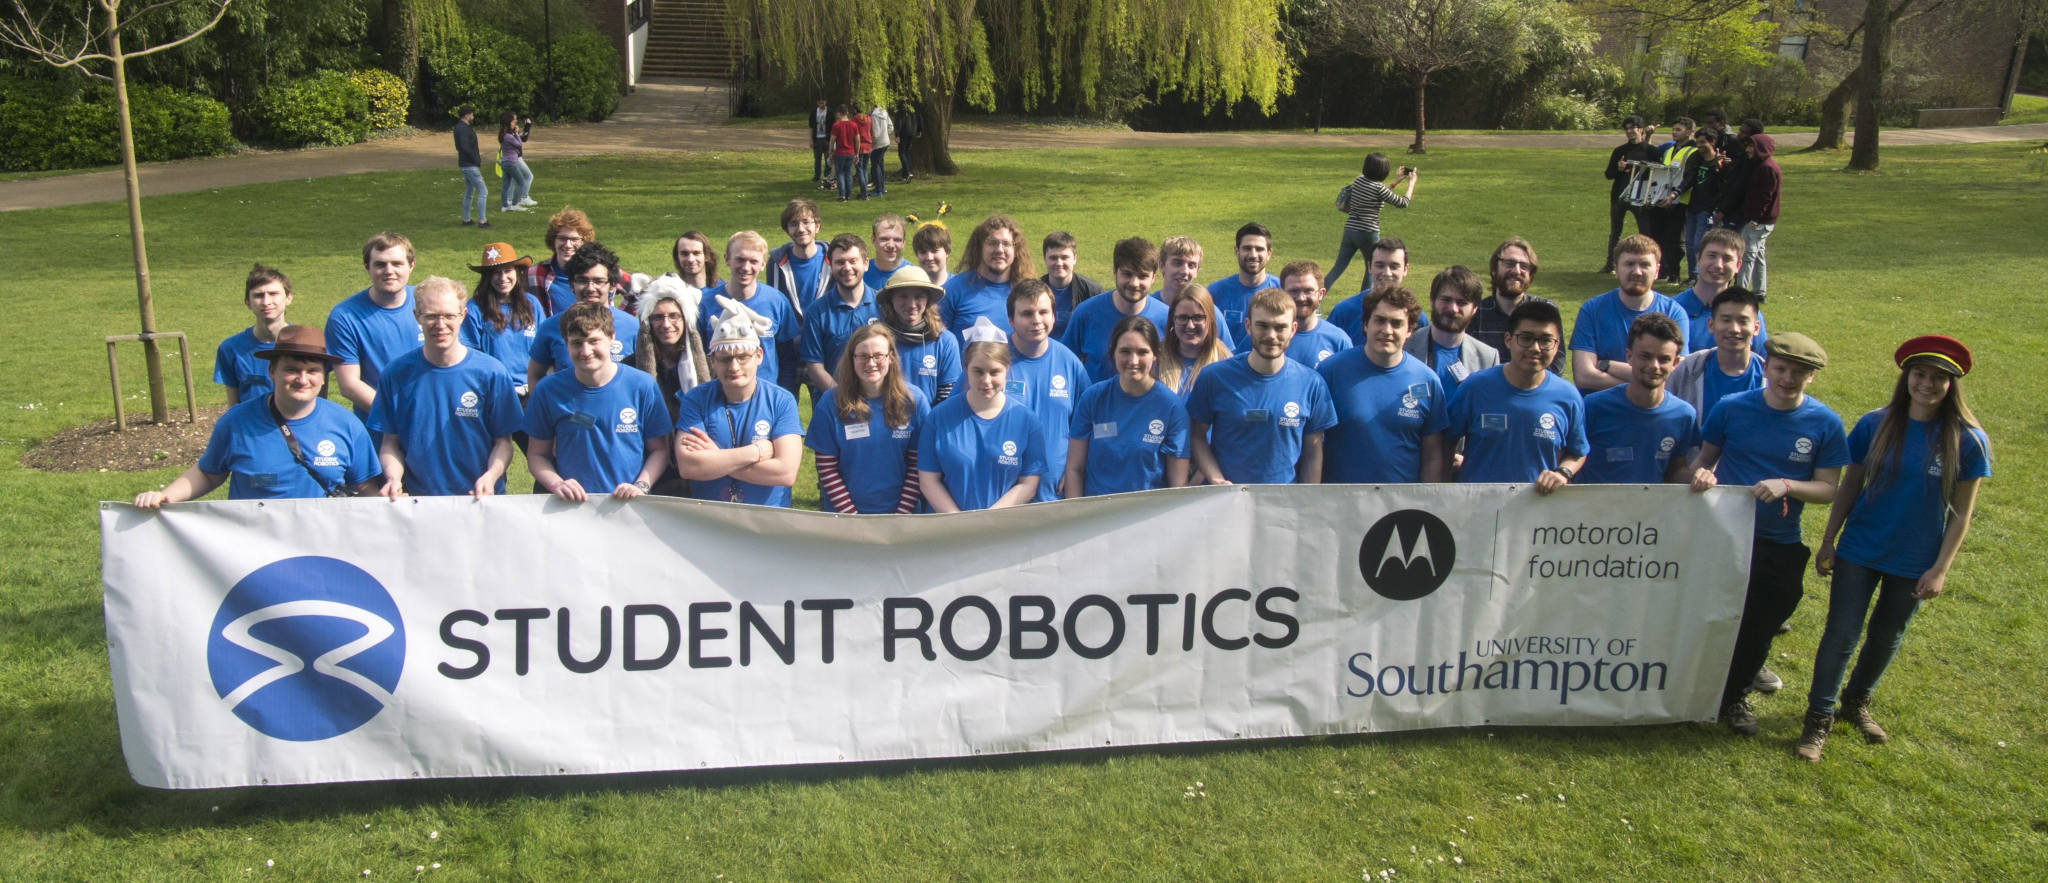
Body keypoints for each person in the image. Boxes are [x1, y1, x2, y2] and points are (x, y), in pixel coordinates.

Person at [1800, 336, 1989, 761]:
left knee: (1886, 636)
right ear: (1906, 377)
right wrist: (1829, 539)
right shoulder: (1875, 424)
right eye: (1919, 374)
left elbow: (1961, 514)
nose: (1926, 384)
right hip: (1860, 549)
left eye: (1938, 378)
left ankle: (1856, 701)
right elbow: (1850, 484)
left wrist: (1940, 568)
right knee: (1841, 635)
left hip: (1915, 558)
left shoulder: (1968, 440)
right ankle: (1819, 717)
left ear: (1952, 385)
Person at [1687, 332, 1848, 736]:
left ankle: (1735, 693)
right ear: (1766, 367)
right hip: (1723, 534)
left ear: (1811, 377)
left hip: (1778, 539)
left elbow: (1828, 488)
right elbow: (1704, 460)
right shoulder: (1731, 409)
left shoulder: (1824, 423)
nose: (1787, 379)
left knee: (1762, 621)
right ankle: (1702, 689)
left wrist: (1789, 485)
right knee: (1711, 616)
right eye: (1780, 369)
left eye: (1799, 373)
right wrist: (1703, 474)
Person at [134, 326, 380, 506]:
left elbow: (364, 485)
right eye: (292, 370)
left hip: (323, 549)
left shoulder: (346, 424)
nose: (303, 380)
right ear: (272, 371)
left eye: (312, 371)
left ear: (324, 376)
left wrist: (394, 507)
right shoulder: (236, 423)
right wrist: (166, 496)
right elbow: (208, 473)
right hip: (257, 555)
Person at [367, 276, 521, 497]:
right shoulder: (396, 374)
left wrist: (491, 476)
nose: (440, 325)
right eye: (431, 316)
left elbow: (503, 443)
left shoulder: (491, 373)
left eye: (449, 316)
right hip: (419, 501)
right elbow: (390, 443)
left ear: (463, 316)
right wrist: (393, 478)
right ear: (417, 316)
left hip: (478, 499)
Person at [523, 303, 673, 502]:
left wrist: (641, 486)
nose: (586, 351)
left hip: (629, 505)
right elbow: (537, 455)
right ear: (566, 344)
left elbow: (659, 450)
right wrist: (557, 483)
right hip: (573, 506)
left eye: (594, 341)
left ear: (611, 337)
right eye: (576, 343)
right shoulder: (548, 390)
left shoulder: (642, 385)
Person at [1186, 289, 1336, 485]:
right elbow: (1196, 435)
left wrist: (1307, 500)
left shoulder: (1311, 384)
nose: (1271, 335)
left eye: (1280, 327)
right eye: (1262, 326)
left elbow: (1313, 452)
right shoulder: (1214, 377)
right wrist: (1216, 478)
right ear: (1248, 326)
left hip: (1282, 503)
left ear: (1293, 329)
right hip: (1225, 500)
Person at [673, 297, 805, 507]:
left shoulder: (781, 400)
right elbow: (689, 467)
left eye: (742, 357)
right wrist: (754, 453)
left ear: (759, 356)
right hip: (709, 520)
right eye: (725, 359)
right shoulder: (696, 399)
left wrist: (715, 459)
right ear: (713, 361)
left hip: (767, 522)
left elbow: (786, 473)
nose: (734, 367)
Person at [1446, 300, 1587, 490]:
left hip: (1537, 508)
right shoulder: (1475, 388)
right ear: (1508, 340)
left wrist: (1563, 472)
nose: (1535, 348)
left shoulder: (1568, 396)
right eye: (1526, 338)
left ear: (1556, 346)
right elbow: (1443, 442)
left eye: (1545, 340)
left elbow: (1578, 451)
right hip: (1476, 507)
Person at [1317, 286, 1449, 484]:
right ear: (1365, 324)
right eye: (1379, 320)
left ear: (1410, 330)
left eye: (1396, 323)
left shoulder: (1427, 381)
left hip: (1399, 507)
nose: (1387, 330)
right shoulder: (1331, 371)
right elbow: (1312, 443)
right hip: (1340, 502)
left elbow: (1432, 456)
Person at [917, 319, 1049, 511]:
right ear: (966, 369)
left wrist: (988, 520)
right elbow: (929, 481)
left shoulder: (1027, 421)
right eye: (978, 371)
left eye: (994, 372)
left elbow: (1028, 484)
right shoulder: (938, 419)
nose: (986, 381)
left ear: (1007, 370)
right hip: (948, 530)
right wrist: (958, 520)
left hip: (1002, 529)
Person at [807, 323, 929, 514]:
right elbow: (826, 468)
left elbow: (917, 465)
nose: (871, 363)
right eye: (863, 356)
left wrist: (901, 515)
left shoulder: (914, 401)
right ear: (852, 359)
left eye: (878, 355)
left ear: (891, 358)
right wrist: (853, 518)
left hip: (903, 517)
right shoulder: (830, 403)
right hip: (845, 517)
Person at [1063, 315, 1190, 496]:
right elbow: (1074, 469)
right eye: (1125, 351)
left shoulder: (1171, 407)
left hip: (1147, 516)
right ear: (1112, 352)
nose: (1133, 360)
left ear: (1155, 355)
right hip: (1097, 514)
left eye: (1142, 352)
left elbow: (1178, 487)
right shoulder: (1093, 398)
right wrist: (1075, 515)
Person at [1577, 314, 1699, 485]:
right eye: (1645, 356)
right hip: (1595, 509)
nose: (1654, 366)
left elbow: (1675, 471)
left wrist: (1698, 477)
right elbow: (1571, 459)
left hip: (1651, 509)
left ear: (1676, 363)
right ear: (1629, 356)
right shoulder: (1593, 407)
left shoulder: (1683, 415)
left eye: (1664, 359)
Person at [1570, 234, 1690, 393]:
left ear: (1657, 271)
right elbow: (1584, 377)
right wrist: (1648, 383)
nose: (1637, 272)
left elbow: (1676, 377)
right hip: (1602, 410)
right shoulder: (1592, 310)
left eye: (1645, 265)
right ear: (1616, 268)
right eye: (1629, 264)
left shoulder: (1673, 313)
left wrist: (1607, 365)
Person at [1007, 279, 1090, 502]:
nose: (1036, 321)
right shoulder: (992, 362)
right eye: (1026, 313)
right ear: (1011, 320)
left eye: (1043, 312)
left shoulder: (1070, 363)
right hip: (1001, 494)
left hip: (1053, 494)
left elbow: (1087, 424)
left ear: (1053, 317)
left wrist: (1073, 470)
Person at [328, 232, 423, 424]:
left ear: (411, 265)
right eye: (380, 264)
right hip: (381, 427)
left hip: (432, 420)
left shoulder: (427, 301)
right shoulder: (346, 316)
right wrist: (400, 417)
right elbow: (349, 385)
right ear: (367, 267)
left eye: (397, 263)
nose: (389, 271)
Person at [631, 274, 710, 497]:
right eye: (658, 317)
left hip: (696, 460)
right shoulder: (630, 369)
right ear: (647, 322)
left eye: (674, 316)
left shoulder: (708, 368)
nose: (666, 324)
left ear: (686, 320)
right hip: (649, 464)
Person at [528, 242, 639, 388]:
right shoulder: (551, 327)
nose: (590, 288)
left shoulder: (632, 326)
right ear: (572, 284)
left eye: (598, 281)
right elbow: (535, 375)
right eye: (582, 280)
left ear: (611, 286)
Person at [700, 230, 800, 392]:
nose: (746, 267)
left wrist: (783, 394)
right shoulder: (706, 303)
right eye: (740, 259)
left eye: (753, 261)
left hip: (766, 397)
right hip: (718, 396)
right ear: (727, 259)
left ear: (763, 264)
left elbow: (788, 358)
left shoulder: (776, 301)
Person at [1063, 237, 1167, 383]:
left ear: (1154, 278)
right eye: (1127, 274)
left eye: (1143, 276)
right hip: (1096, 404)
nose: (1134, 283)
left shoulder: (1166, 318)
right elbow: (1063, 364)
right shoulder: (1086, 313)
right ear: (1114, 271)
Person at [1670, 286, 1766, 428]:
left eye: (1743, 321)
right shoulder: (1689, 369)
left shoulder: (1767, 377)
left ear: (1756, 328)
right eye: (1726, 320)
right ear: (1711, 324)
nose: (1734, 329)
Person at [1468, 238, 1564, 375]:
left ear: (1531, 274)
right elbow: (1467, 362)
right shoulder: (1476, 312)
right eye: (1509, 263)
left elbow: (1556, 365)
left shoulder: (1546, 310)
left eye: (1524, 266)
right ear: (1495, 268)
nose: (1517, 271)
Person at [459, 242, 543, 393]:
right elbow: (469, 356)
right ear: (487, 277)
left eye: (508, 270)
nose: (503, 278)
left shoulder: (532, 304)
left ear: (517, 272)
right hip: (495, 391)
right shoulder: (474, 308)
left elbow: (544, 347)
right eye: (496, 272)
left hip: (531, 389)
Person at [1326, 152, 1416, 293]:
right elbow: (1403, 203)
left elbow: (1379, 192)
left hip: (1350, 229)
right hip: (1368, 232)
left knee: (1338, 266)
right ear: (1383, 171)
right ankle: (1365, 302)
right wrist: (1411, 183)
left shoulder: (1359, 180)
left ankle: (1317, 299)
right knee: (1371, 268)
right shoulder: (1377, 188)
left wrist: (1398, 180)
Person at [800, 233, 877, 393]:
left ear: (866, 264)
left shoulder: (883, 305)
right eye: (840, 262)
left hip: (877, 401)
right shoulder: (817, 312)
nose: (847, 268)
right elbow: (814, 366)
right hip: (832, 402)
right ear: (830, 265)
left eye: (853, 261)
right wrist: (842, 397)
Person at [1670, 228, 1766, 355]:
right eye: (1712, 256)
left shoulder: (1747, 311)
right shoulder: (1672, 310)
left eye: (1727, 258)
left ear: (1738, 266)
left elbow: (1763, 363)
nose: (1718, 265)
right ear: (1698, 259)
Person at [1408, 265, 1498, 398]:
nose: (1453, 309)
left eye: (1461, 302)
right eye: (1446, 300)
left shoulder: (1488, 358)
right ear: (1432, 301)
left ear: (1474, 309)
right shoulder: (1406, 346)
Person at [875, 264, 961, 404]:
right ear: (891, 300)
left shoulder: (945, 341)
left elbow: (948, 395)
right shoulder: (877, 339)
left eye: (918, 296)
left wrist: (929, 422)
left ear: (928, 300)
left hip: (930, 422)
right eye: (903, 296)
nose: (911, 304)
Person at [215, 264, 293, 405]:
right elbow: (234, 407)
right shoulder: (230, 348)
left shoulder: (307, 345)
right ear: (248, 303)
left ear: (288, 298)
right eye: (258, 295)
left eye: (273, 294)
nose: (266, 302)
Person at [941, 215, 1032, 335]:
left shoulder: (1026, 292)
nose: (1000, 250)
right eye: (992, 243)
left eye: (1006, 244)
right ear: (980, 248)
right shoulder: (953, 290)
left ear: (1015, 250)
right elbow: (936, 342)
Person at [1326, 238, 1420, 348]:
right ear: (1370, 267)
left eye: (1394, 266)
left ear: (1405, 269)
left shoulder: (1416, 316)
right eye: (1380, 265)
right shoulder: (1344, 311)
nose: (1387, 273)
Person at [1157, 283, 1234, 399]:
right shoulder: (1156, 359)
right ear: (1173, 320)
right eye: (1183, 318)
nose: (1190, 326)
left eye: (1198, 318)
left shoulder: (1225, 362)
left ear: (1210, 320)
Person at [1647, 116, 1700, 284]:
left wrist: (1675, 194)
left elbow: (1689, 178)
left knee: (1675, 238)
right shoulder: (1670, 149)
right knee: (1660, 235)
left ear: (1691, 132)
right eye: (1674, 129)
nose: (1674, 133)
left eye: (1679, 130)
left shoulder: (1693, 152)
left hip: (1680, 201)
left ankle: (1674, 273)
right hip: (1663, 198)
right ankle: (1663, 270)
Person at [1207, 222, 1280, 339]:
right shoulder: (1215, 292)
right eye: (1247, 248)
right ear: (1237, 251)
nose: (1253, 254)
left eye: (1259, 249)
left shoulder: (1282, 290)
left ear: (1269, 253)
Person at [1601, 116, 1655, 272]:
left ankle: (1646, 262)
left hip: (1640, 197)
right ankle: (1610, 264)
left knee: (1645, 233)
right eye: (1627, 129)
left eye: (1633, 128)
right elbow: (1608, 174)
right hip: (1619, 196)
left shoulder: (1650, 150)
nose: (1630, 131)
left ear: (1640, 129)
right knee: (1615, 232)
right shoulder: (1620, 151)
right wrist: (1618, 168)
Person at [1277, 259, 1351, 369]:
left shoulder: (1338, 340)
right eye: (1294, 291)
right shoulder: (1266, 336)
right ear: (1282, 293)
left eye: (1308, 291)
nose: (1301, 298)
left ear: (1321, 294)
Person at [1737, 133, 1782, 299]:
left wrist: (1755, 219)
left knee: (1748, 254)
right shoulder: (1762, 166)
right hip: (1762, 219)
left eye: (1751, 147)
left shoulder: (1767, 168)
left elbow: (1765, 197)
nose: (1748, 150)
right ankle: (1759, 290)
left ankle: (1741, 291)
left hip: (1760, 221)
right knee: (1759, 254)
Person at [1683, 128, 1728, 284]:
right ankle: (1693, 276)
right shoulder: (1698, 159)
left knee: (1698, 244)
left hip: (1706, 209)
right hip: (1693, 206)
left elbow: (1723, 188)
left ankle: (1700, 276)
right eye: (1697, 142)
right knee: (1689, 244)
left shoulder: (1719, 163)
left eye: (1703, 142)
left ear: (1712, 142)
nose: (1699, 145)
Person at [1040, 230, 1106, 337]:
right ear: (1045, 259)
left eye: (1064, 257)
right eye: (1053, 258)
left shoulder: (1092, 292)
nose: (1059, 263)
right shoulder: (1034, 291)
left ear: (1075, 258)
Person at [768, 198, 829, 310]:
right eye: (794, 224)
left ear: (817, 226)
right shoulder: (776, 262)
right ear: (787, 230)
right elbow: (773, 303)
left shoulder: (833, 258)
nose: (800, 229)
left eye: (806, 222)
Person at [530, 208, 594, 314]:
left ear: (584, 242)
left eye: (574, 239)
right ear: (553, 240)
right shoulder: (535, 273)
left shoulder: (600, 272)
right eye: (562, 239)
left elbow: (631, 288)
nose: (568, 245)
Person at [453, 105, 489, 229]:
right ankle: (482, 221)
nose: (473, 116)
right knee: (483, 191)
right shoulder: (463, 129)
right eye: (472, 114)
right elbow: (464, 147)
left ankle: (466, 219)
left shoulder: (460, 127)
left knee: (469, 192)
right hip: (470, 165)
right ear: (467, 115)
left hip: (465, 164)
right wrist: (476, 159)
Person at [497, 111, 535, 214]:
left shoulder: (504, 134)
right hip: (511, 162)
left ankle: (504, 206)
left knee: (506, 184)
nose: (516, 122)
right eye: (514, 121)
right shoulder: (508, 136)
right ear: (509, 122)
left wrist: (517, 132)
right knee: (521, 183)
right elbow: (519, 144)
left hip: (505, 162)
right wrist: (517, 133)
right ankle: (514, 204)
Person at [865, 214, 909, 290]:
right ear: (873, 240)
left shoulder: (912, 276)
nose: (891, 245)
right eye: (884, 239)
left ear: (903, 243)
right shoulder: (861, 273)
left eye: (897, 240)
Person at [830, 105, 862, 201]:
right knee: (848, 173)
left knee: (839, 173)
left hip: (840, 152)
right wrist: (857, 153)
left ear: (839, 113)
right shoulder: (854, 125)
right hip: (850, 152)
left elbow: (832, 141)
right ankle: (848, 194)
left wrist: (831, 152)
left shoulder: (836, 125)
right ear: (847, 113)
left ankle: (842, 195)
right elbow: (857, 140)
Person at [912, 221, 952, 288]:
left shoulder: (957, 286)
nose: (929, 257)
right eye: (923, 252)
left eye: (934, 251)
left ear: (947, 251)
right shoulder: (910, 287)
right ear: (917, 254)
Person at [866, 103, 893, 196]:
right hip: (886, 141)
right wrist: (885, 134)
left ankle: (878, 189)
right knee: (880, 164)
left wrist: (870, 141)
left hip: (878, 144)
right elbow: (890, 127)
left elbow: (876, 133)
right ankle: (881, 187)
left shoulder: (874, 115)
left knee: (875, 165)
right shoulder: (884, 111)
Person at [851, 105, 874, 199]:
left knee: (860, 170)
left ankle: (863, 193)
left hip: (859, 146)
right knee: (864, 169)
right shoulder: (868, 118)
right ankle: (865, 192)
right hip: (868, 145)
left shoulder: (855, 119)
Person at [810, 98, 832, 188]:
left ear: (825, 102)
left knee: (828, 158)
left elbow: (833, 126)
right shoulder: (814, 112)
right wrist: (811, 140)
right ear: (817, 103)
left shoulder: (830, 112)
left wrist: (831, 140)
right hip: (817, 138)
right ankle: (817, 176)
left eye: (822, 102)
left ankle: (827, 175)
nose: (821, 104)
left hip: (826, 138)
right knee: (817, 159)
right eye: (819, 102)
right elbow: (811, 127)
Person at [894, 102, 919, 180]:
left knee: (901, 153)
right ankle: (905, 174)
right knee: (907, 152)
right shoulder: (912, 111)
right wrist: (918, 130)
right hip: (912, 133)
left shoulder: (900, 112)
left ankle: (907, 172)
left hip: (904, 134)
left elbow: (898, 124)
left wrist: (897, 135)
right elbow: (917, 119)